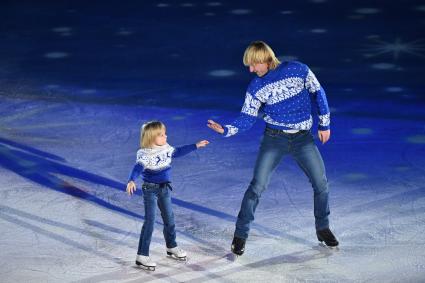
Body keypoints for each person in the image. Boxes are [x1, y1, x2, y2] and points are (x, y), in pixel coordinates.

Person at [207, 41, 339, 256]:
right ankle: (240, 234)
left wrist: (325, 124)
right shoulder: (256, 86)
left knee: (321, 184)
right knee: (257, 186)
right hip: (274, 139)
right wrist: (226, 129)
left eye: (253, 65)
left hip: (303, 139)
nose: (250, 70)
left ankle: (323, 228)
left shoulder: (299, 70)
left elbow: (319, 93)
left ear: (264, 60)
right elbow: (247, 117)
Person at [126, 120, 209, 270]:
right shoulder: (144, 153)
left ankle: (171, 246)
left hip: (164, 189)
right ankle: (142, 255)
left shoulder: (166, 147)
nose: (166, 136)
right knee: (150, 222)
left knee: (169, 219)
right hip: (150, 190)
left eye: (165, 134)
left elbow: (178, 152)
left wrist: (195, 145)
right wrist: (131, 180)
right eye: (162, 135)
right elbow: (138, 167)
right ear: (152, 138)